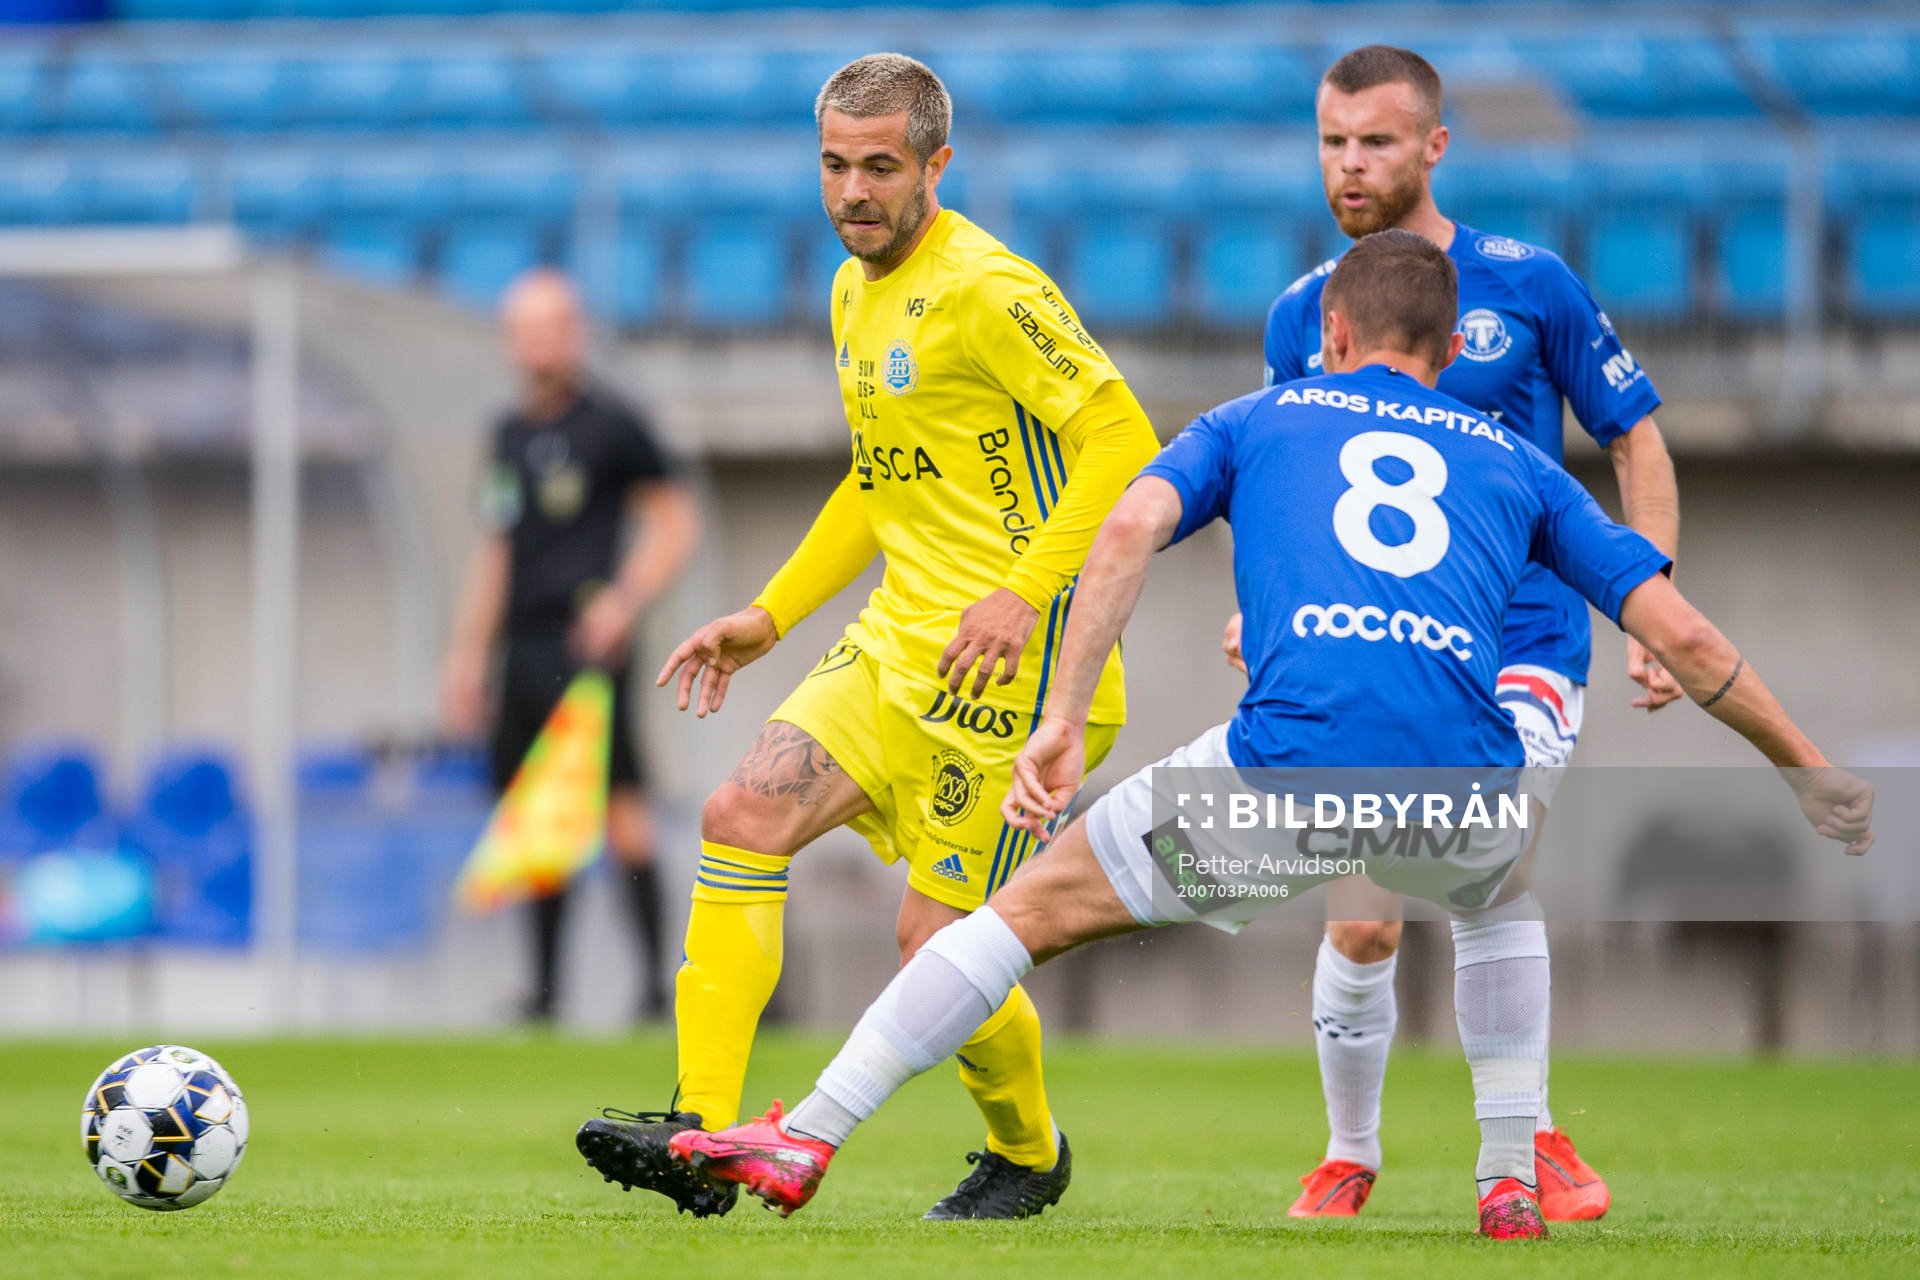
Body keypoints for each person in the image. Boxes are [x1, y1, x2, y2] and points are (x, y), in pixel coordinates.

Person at [664, 229, 1873, 1240]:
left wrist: (1064, 721)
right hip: (1456, 781)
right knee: (1500, 883)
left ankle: (806, 1133)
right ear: (1454, 354)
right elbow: (1693, 639)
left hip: (1282, 774)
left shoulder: (1260, 416)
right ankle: (1507, 1171)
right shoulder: (1518, 460)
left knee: (1016, 919)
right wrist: (1810, 771)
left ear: (1332, 335)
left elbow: (1128, 524)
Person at [573, 53, 1161, 1220]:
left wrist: (1025, 589)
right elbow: (876, 477)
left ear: (937, 164)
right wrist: (769, 613)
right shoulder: (852, 291)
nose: (854, 192)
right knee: (741, 811)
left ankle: (1028, 1152)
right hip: (896, 643)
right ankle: (698, 1129)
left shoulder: (990, 288)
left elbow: (1125, 438)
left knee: (931, 950)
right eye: (836, 166)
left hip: (1013, 672)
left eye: (881, 167)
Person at [1231, 45, 1684, 1221]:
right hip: (1371, 649)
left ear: (1435, 146)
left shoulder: (1528, 284)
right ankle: (1354, 1151)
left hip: (1523, 642)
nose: (1349, 164)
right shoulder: (1302, 311)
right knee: (1370, 916)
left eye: (1375, 141)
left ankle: (1514, 1152)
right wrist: (1257, 607)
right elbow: (1293, 481)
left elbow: (1632, 435)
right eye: (1332, 141)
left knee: (1487, 869)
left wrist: (1654, 599)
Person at [440, 269, 699, 1025]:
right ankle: (546, 995)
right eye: (523, 328)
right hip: (520, 649)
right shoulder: (508, 437)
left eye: (551, 325)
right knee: (535, 819)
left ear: (576, 331)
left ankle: (657, 991)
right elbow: (495, 551)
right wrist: (467, 656)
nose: (537, 342)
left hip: (586, 648)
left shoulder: (612, 426)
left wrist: (623, 601)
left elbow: (676, 523)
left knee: (621, 814)